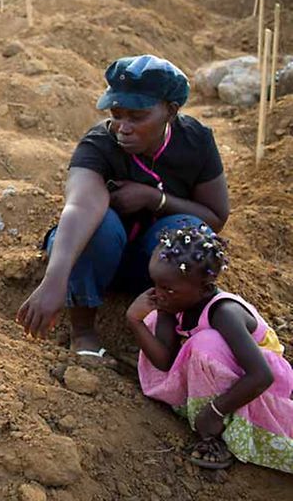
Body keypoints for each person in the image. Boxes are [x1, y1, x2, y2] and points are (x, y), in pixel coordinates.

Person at [16, 54, 230, 357]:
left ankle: (172, 329)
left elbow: (215, 217)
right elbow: (80, 206)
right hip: (97, 260)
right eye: (117, 114)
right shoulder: (99, 143)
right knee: (99, 224)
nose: (123, 127)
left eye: (137, 117)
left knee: (189, 230)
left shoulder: (196, 141)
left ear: (171, 111)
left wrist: (154, 198)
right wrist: (54, 281)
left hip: (157, 270)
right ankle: (83, 331)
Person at [126, 225, 293, 471]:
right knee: (153, 322)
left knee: (205, 345)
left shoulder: (224, 312)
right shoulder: (174, 301)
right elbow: (164, 361)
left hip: (264, 380)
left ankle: (220, 435)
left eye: (168, 289)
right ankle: (201, 409)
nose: (159, 294)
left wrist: (214, 412)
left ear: (204, 288)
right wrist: (134, 320)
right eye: (156, 285)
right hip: (232, 372)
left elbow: (262, 375)